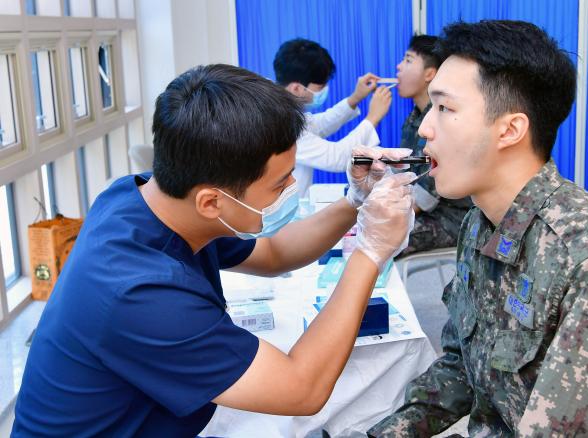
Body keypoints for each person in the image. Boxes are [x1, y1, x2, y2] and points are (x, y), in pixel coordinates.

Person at [12, 64, 415, 436]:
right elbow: (301, 389)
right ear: (211, 203)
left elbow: (274, 253)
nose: (293, 190)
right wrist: (370, 251)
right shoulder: (140, 294)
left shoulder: (146, 199)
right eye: (280, 184)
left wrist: (354, 201)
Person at [369, 20, 588, 437]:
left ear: (510, 130)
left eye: (445, 108)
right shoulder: (480, 224)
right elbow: (460, 367)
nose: (424, 128)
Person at [274, 38, 394, 196]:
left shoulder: (281, 109)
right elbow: (337, 157)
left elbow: (318, 125)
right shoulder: (281, 123)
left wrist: (354, 99)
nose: (324, 91)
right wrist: (372, 118)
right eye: (320, 88)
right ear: (296, 88)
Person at [395, 34, 472, 256]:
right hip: (424, 211)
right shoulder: (414, 118)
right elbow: (405, 172)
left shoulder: (444, 117)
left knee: (385, 240)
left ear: (430, 74)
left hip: (451, 217)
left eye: (408, 60)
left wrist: (384, 218)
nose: (399, 67)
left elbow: (426, 197)